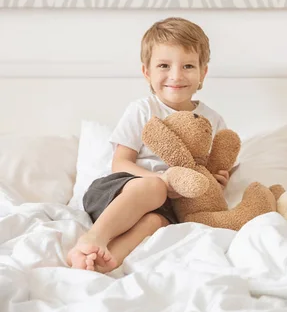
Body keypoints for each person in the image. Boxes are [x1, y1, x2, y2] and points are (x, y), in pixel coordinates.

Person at [67, 17, 232, 273]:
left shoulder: (212, 120)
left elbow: (207, 167)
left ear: (203, 73)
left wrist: (216, 180)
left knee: (157, 223)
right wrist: (162, 181)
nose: (176, 76)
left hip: (167, 207)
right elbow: (120, 161)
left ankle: (103, 262)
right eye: (164, 65)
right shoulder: (144, 110)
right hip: (120, 192)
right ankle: (94, 237)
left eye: (188, 66)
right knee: (155, 188)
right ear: (147, 72)